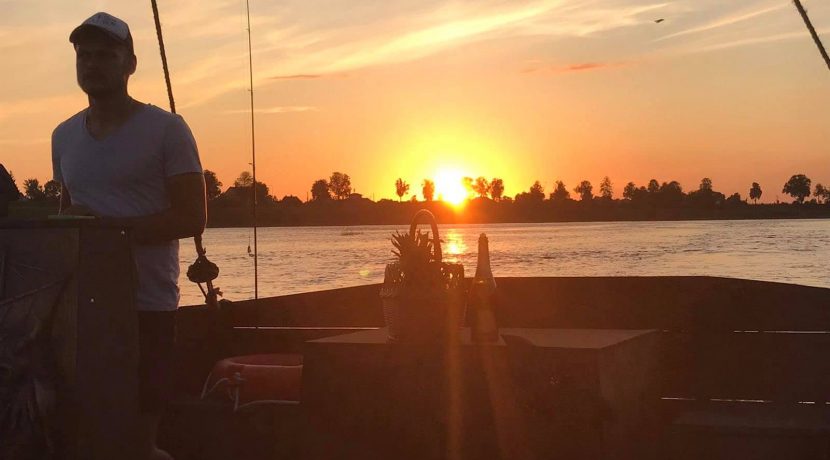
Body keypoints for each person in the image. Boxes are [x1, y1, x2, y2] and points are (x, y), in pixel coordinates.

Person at [51, 12, 206, 460]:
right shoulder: (63, 137)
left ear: (130, 63)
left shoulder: (167, 129)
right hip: (84, 307)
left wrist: (107, 234)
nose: (92, 64)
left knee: (139, 443)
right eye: (84, 55)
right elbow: (66, 215)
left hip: (147, 304)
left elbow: (193, 216)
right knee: (91, 436)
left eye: (105, 55)